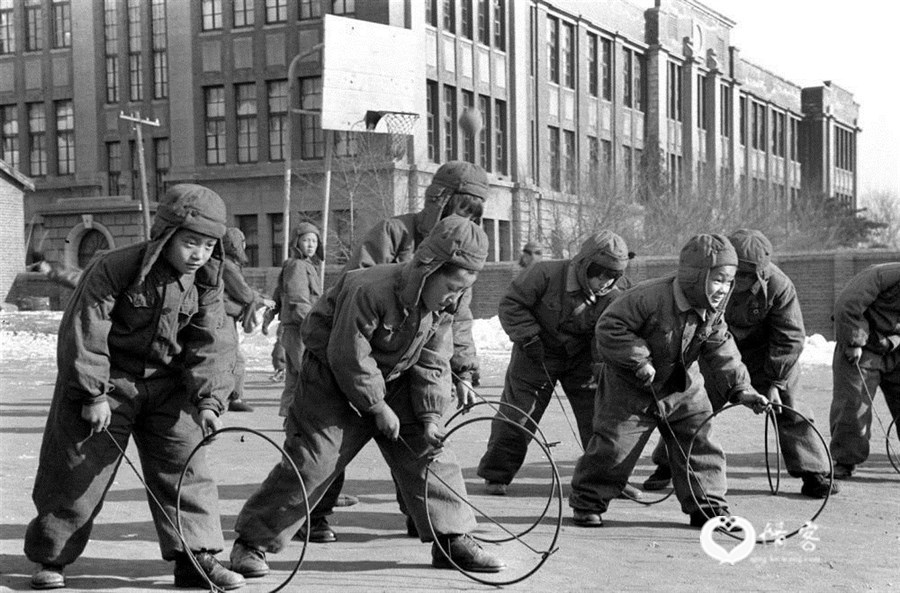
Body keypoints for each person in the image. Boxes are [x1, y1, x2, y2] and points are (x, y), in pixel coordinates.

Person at [228, 216, 506, 576]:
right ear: (428, 269)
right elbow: (348, 355)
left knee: (430, 451)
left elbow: (434, 361)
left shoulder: (443, 306)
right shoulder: (369, 288)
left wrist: (430, 417)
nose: (453, 298)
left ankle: (451, 538)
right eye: (451, 286)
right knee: (314, 462)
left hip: (393, 376)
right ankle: (251, 543)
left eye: (461, 291)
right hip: (330, 377)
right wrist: (376, 407)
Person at [24, 184, 245, 591]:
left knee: (186, 467)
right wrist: (92, 394)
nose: (199, 254)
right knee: (77, 472)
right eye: (190, 242)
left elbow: (212, 342)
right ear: (165, 236)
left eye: (209, 245)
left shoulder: (208, 281)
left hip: (168, 386)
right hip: (109, 381)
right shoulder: (115, 267)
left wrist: (210, 402)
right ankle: (50, 559)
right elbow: (83, 330)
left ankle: (195, 559)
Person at [310, 160, 492, 542]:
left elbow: (455, 318)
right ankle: (315, 513)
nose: (468, 219)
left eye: (476, 214)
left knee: (419, 439)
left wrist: (464, 370)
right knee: (329, 445)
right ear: (438, 200)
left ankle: (427, 519)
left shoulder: (463, 259)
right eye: (462, 208)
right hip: (356, 348)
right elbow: (357, 288)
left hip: (412, 357)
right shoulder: (393, 232)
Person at [568, 234, 769, 528]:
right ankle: (587, 502)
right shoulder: (647, 297)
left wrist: (742, 388)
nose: (723, 289)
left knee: (700, 443)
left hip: (684, 387)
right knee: (613, 449)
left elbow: (722, 347)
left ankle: (708, 506)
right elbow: (610, 327)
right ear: (695, 276)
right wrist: (639, 360)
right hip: (632, 388)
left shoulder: (713, 310)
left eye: (729, 282)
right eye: (717, 280)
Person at [642, 229, 838, 498]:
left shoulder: (780, 287)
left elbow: (790, 337)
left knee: (789, 407)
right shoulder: (710, 282)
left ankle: (814, 471)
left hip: (768, 358)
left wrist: (775, 382)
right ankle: (669, 465)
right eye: (738, 273)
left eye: (749, 275)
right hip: (719, 353)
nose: (741, 281)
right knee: (695, 408)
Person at [477, 231, 634, 496]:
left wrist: (600, 364)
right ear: (584, 264)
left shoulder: (617, 293)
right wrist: (527, 337)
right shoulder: (544, 274)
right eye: (600, 273)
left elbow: (610, 329)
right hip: (535, 354)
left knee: (600, 419)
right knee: (518, 415)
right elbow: (512, 304)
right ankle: (496, 474)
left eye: (612, 276)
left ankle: (607, 479)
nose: (605, 281)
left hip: (582, 359)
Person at [829, 262, 900, 479]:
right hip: (862, 347)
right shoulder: (880, 275)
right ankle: (846, 459)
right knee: (854, 403)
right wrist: (854, 341)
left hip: (896, 348)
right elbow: (847, 305)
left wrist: (894, 341)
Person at [275, 222, 323, 418]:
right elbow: (298, 299)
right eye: (306, 240)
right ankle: (303, 417)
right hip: (300, 329)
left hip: (297, 329)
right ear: (297, 242)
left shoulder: (303, 265)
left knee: (295, 377)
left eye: (314, 241)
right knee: (308, 375)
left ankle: (290, 416)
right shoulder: (297, 266)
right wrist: (316, 325)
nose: (310, 245)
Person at [222, 227, 273, 412]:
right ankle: (233, 398)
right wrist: (260, 299)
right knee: (236, 360)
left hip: (227, 317)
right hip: (223, 317)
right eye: (242, 242)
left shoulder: (229, 264)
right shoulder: (227, 266)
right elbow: (243, 292)